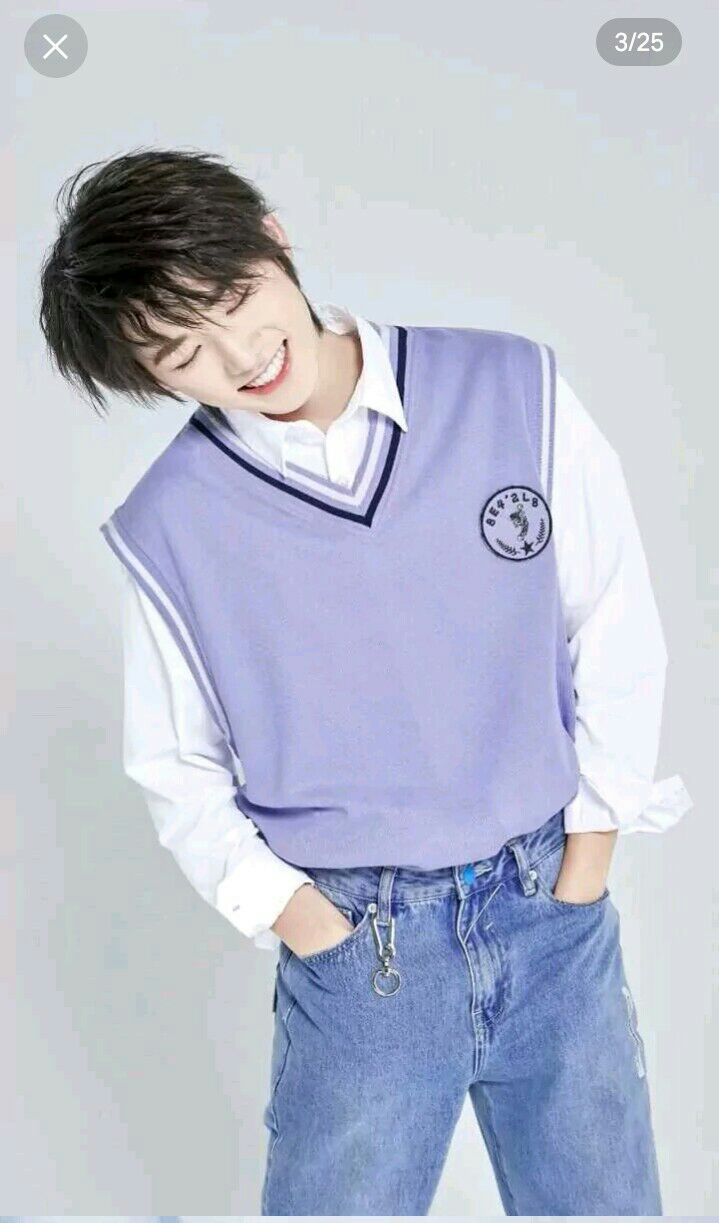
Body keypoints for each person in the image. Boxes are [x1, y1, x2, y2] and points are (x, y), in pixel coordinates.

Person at [38, 147, 693, 1215]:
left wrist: (584, 863)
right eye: (181, 352)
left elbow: (610, 622)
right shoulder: (169, 528)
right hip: (363, 951)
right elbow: (177, 764)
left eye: (234, 298)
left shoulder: (510, 388)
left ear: (274, 238)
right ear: (148, 378)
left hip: (550, 911)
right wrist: (304, 920)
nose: (239, 355)